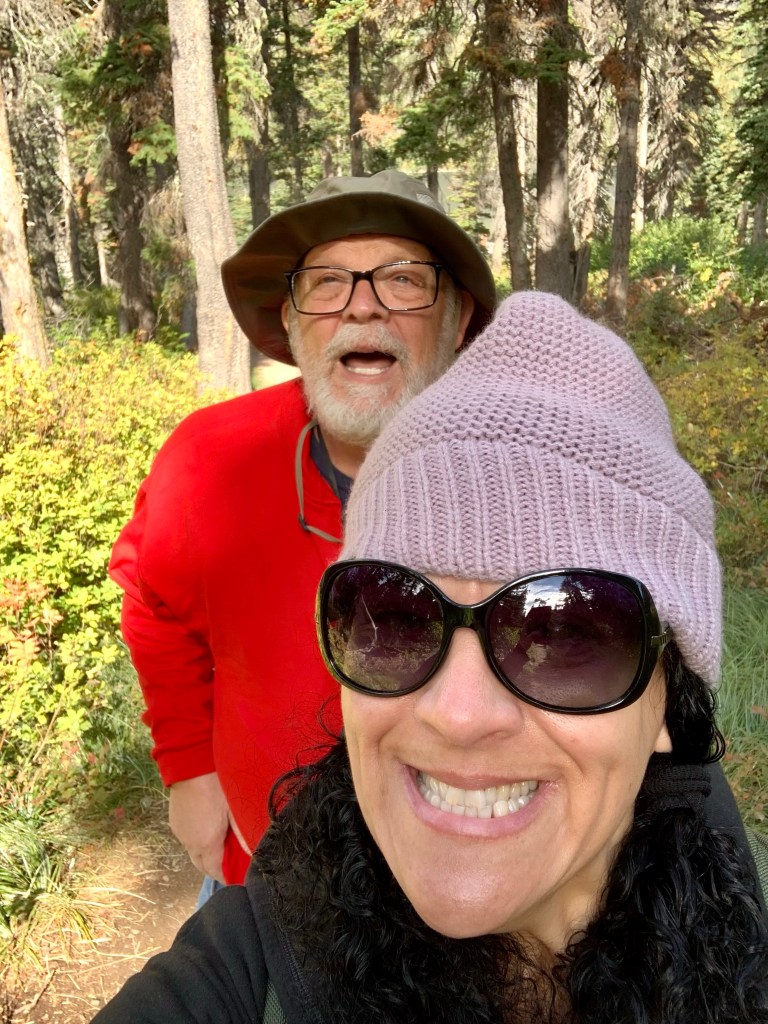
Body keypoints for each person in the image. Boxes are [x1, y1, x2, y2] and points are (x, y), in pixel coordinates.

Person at [95, 292, 767, 1023]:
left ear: (670, 696)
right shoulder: (246, 967)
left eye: (568, 634)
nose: (458, 714)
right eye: (397, 616)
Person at [108, 170, 496, 887]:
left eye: (404, 280)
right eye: (327, 283)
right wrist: (189, 770)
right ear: (289, 321)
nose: (361, 307)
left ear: (457, 316)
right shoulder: (209, 456)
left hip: (470, 882)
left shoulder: (532, 476)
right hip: (264, 870)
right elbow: (155, 605)